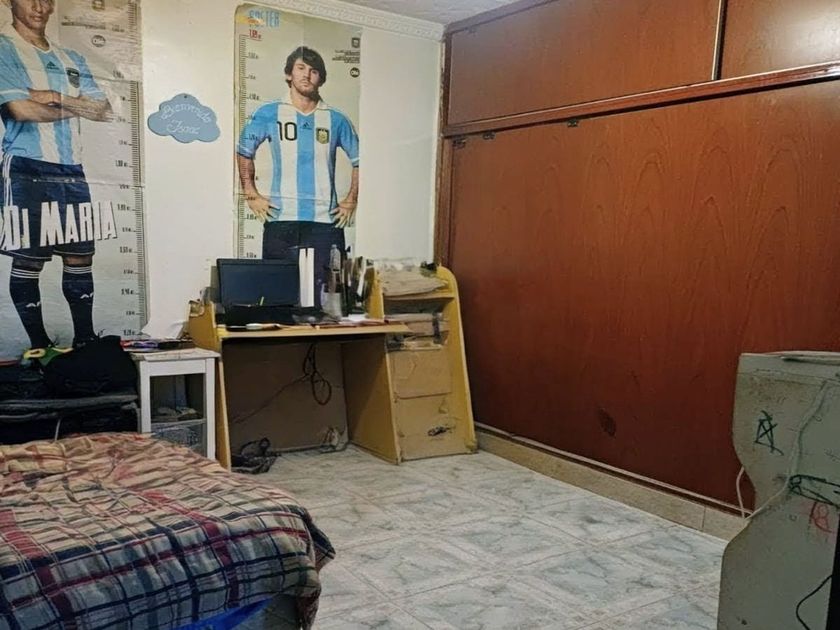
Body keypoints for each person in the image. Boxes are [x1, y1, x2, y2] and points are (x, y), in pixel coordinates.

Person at [0, 0, 111, 360]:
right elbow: (20, 109)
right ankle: (39, 347)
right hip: (27, 167)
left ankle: (85, 342)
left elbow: (102, 109)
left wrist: (53, 97)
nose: (39, 6)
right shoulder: (3, 49)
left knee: (80, 257)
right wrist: (74, 105)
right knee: (29, 260)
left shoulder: (70, 58)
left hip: (71, 169)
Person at [236, 45, 359, 305]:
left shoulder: (336, 119)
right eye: (300, 68)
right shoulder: (269, 112)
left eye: (314, 71)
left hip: (325, 221)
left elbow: (360, 160)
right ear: (288, 74)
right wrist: (251, 194)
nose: (306, 75)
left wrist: (351, 200)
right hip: (281, 218)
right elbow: (244, 151)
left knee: (330, 297)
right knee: (277, 295)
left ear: (321, 78)